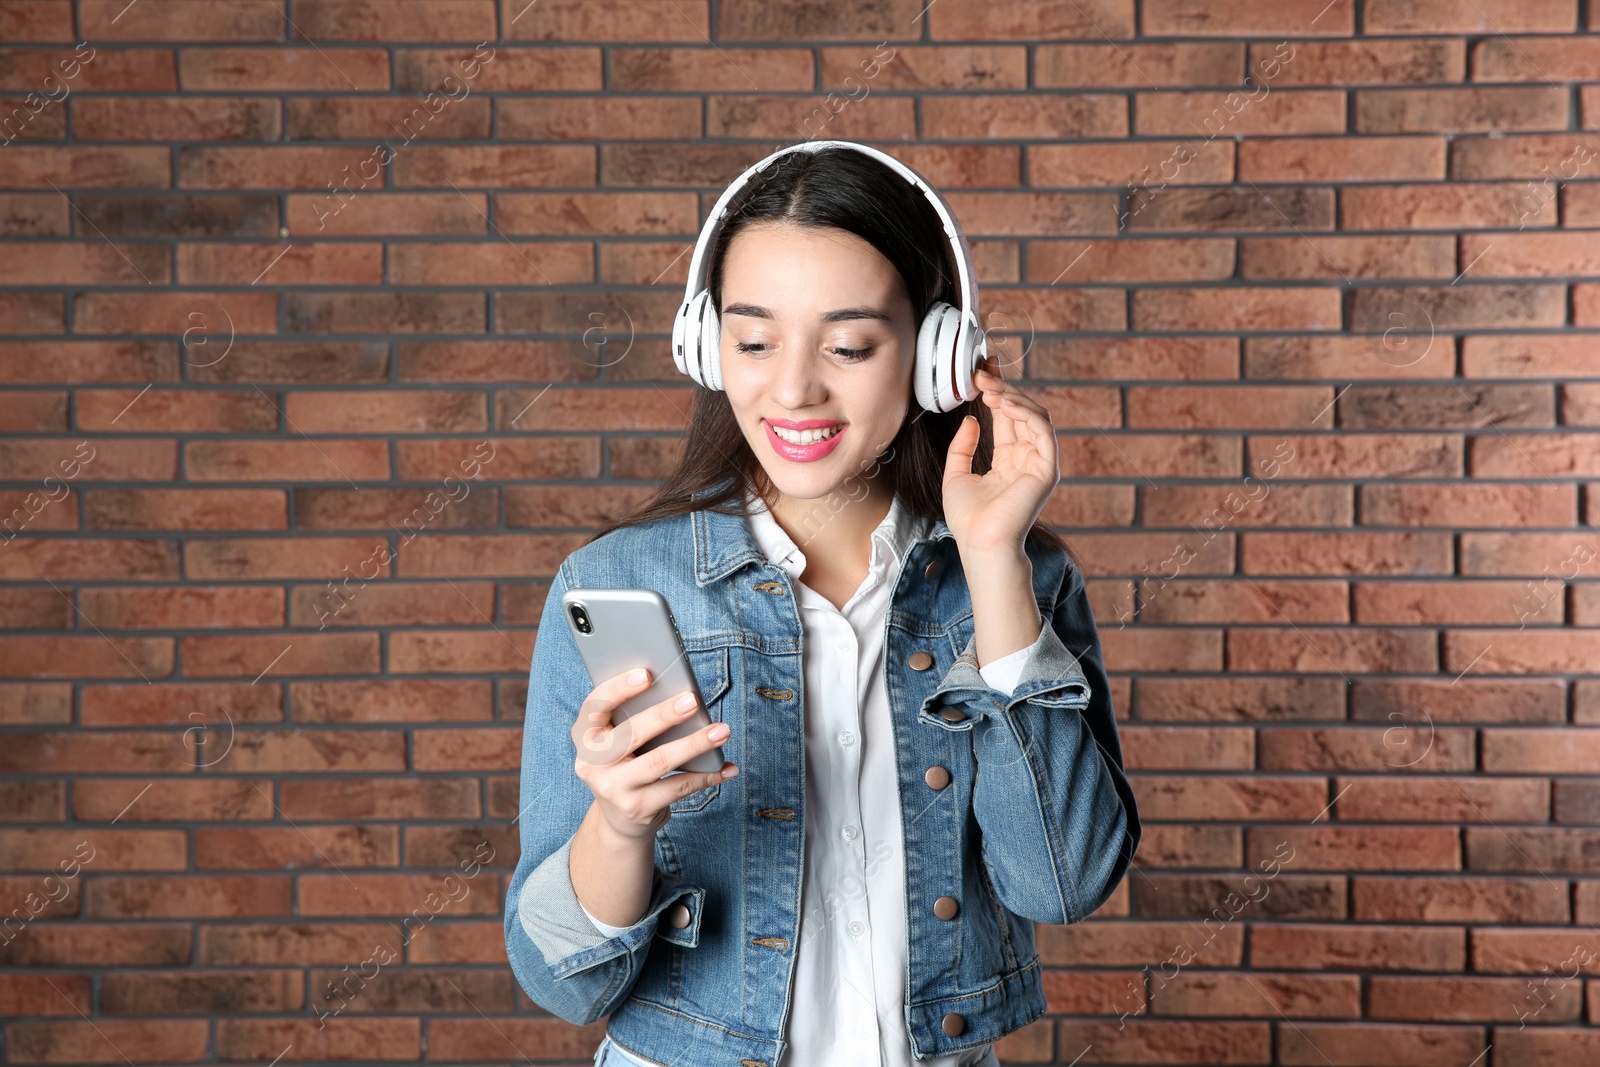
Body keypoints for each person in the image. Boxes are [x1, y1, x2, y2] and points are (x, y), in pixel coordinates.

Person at [504, 141, 1140, 1067]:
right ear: (705, 345)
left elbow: (1062, 882)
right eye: (755, 340)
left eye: (847, 344)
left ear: (937, 356)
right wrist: (620, 823)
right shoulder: (620, 585)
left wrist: (993, 557)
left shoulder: (1019, 579)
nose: (794, 386)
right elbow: (562, 981)